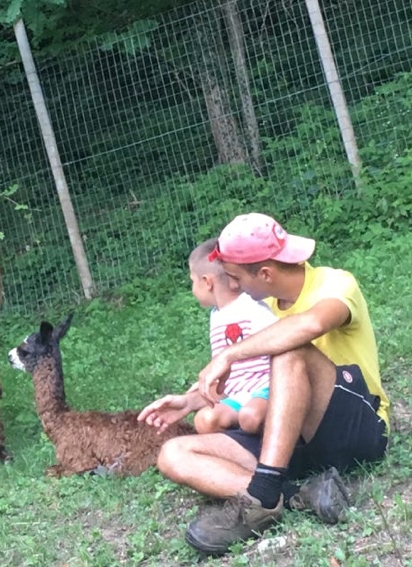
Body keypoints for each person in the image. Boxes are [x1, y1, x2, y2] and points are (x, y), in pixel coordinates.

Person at [140, 213, 390, 556]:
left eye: (235, 278)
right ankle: (299, 495)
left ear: (265, 274)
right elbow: (251, 376)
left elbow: (311, 324)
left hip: (356, 426)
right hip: (289, 439)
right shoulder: (262, 307)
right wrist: (190, 401)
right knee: (174, 454)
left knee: (287, 351)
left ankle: (262, 494)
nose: (233, 286)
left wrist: (228, 355)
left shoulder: (335, 284)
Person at [143, 238, 277, 436]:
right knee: (204, 420)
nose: (192, 288)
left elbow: (277, 338)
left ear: (207, 282)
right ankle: (236, 450)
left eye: (192, 281)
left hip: (266, 389)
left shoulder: (251, 306)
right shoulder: (217, 315)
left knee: (250, 417)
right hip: (237, 395)